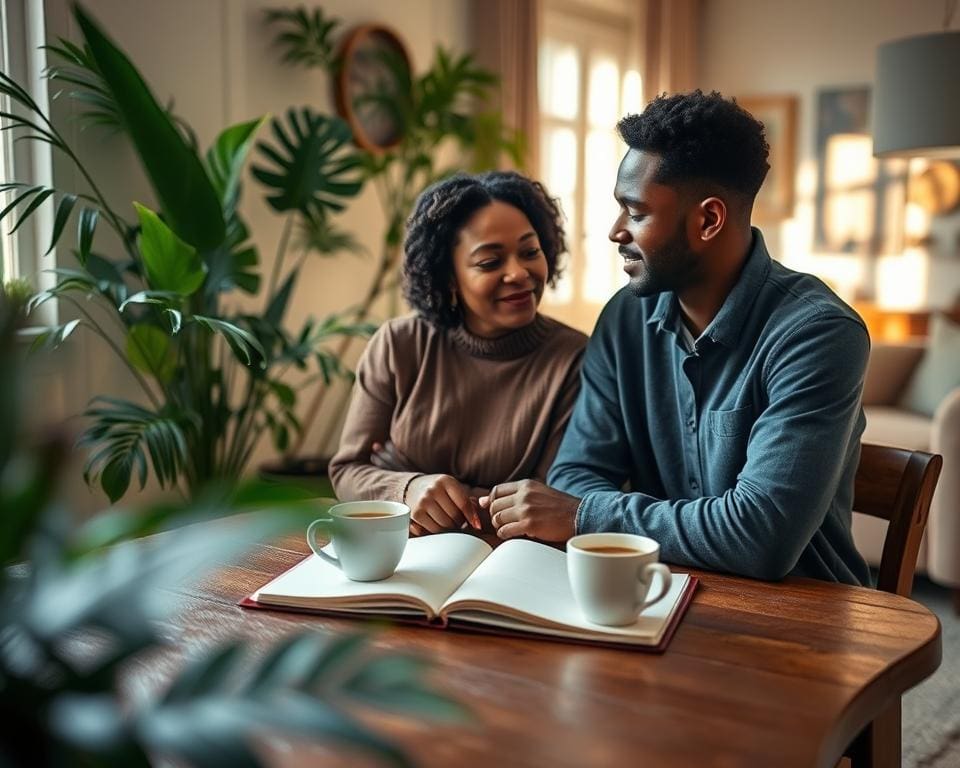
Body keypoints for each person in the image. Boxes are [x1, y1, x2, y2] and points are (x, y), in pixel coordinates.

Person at [481, 91, 872, 585]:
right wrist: (602, 514)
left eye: (636, 212)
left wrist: (584, 516)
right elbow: (575, 473)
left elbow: (761, 537)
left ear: (708, 220)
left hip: (802, 608)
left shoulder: (817, 333)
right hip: (656, 588)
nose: (615, 231)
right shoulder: (624, 318)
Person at [329, 171, 588, 537]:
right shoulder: (398, 344)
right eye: (490, 262)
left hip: (508, 553)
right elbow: (346, 471)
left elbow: (548, 500)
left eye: (530, 252)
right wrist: (408, 488)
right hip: (399, 545)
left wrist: (409, 481)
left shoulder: (575, 358)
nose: (519, 273)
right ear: (449, 276)